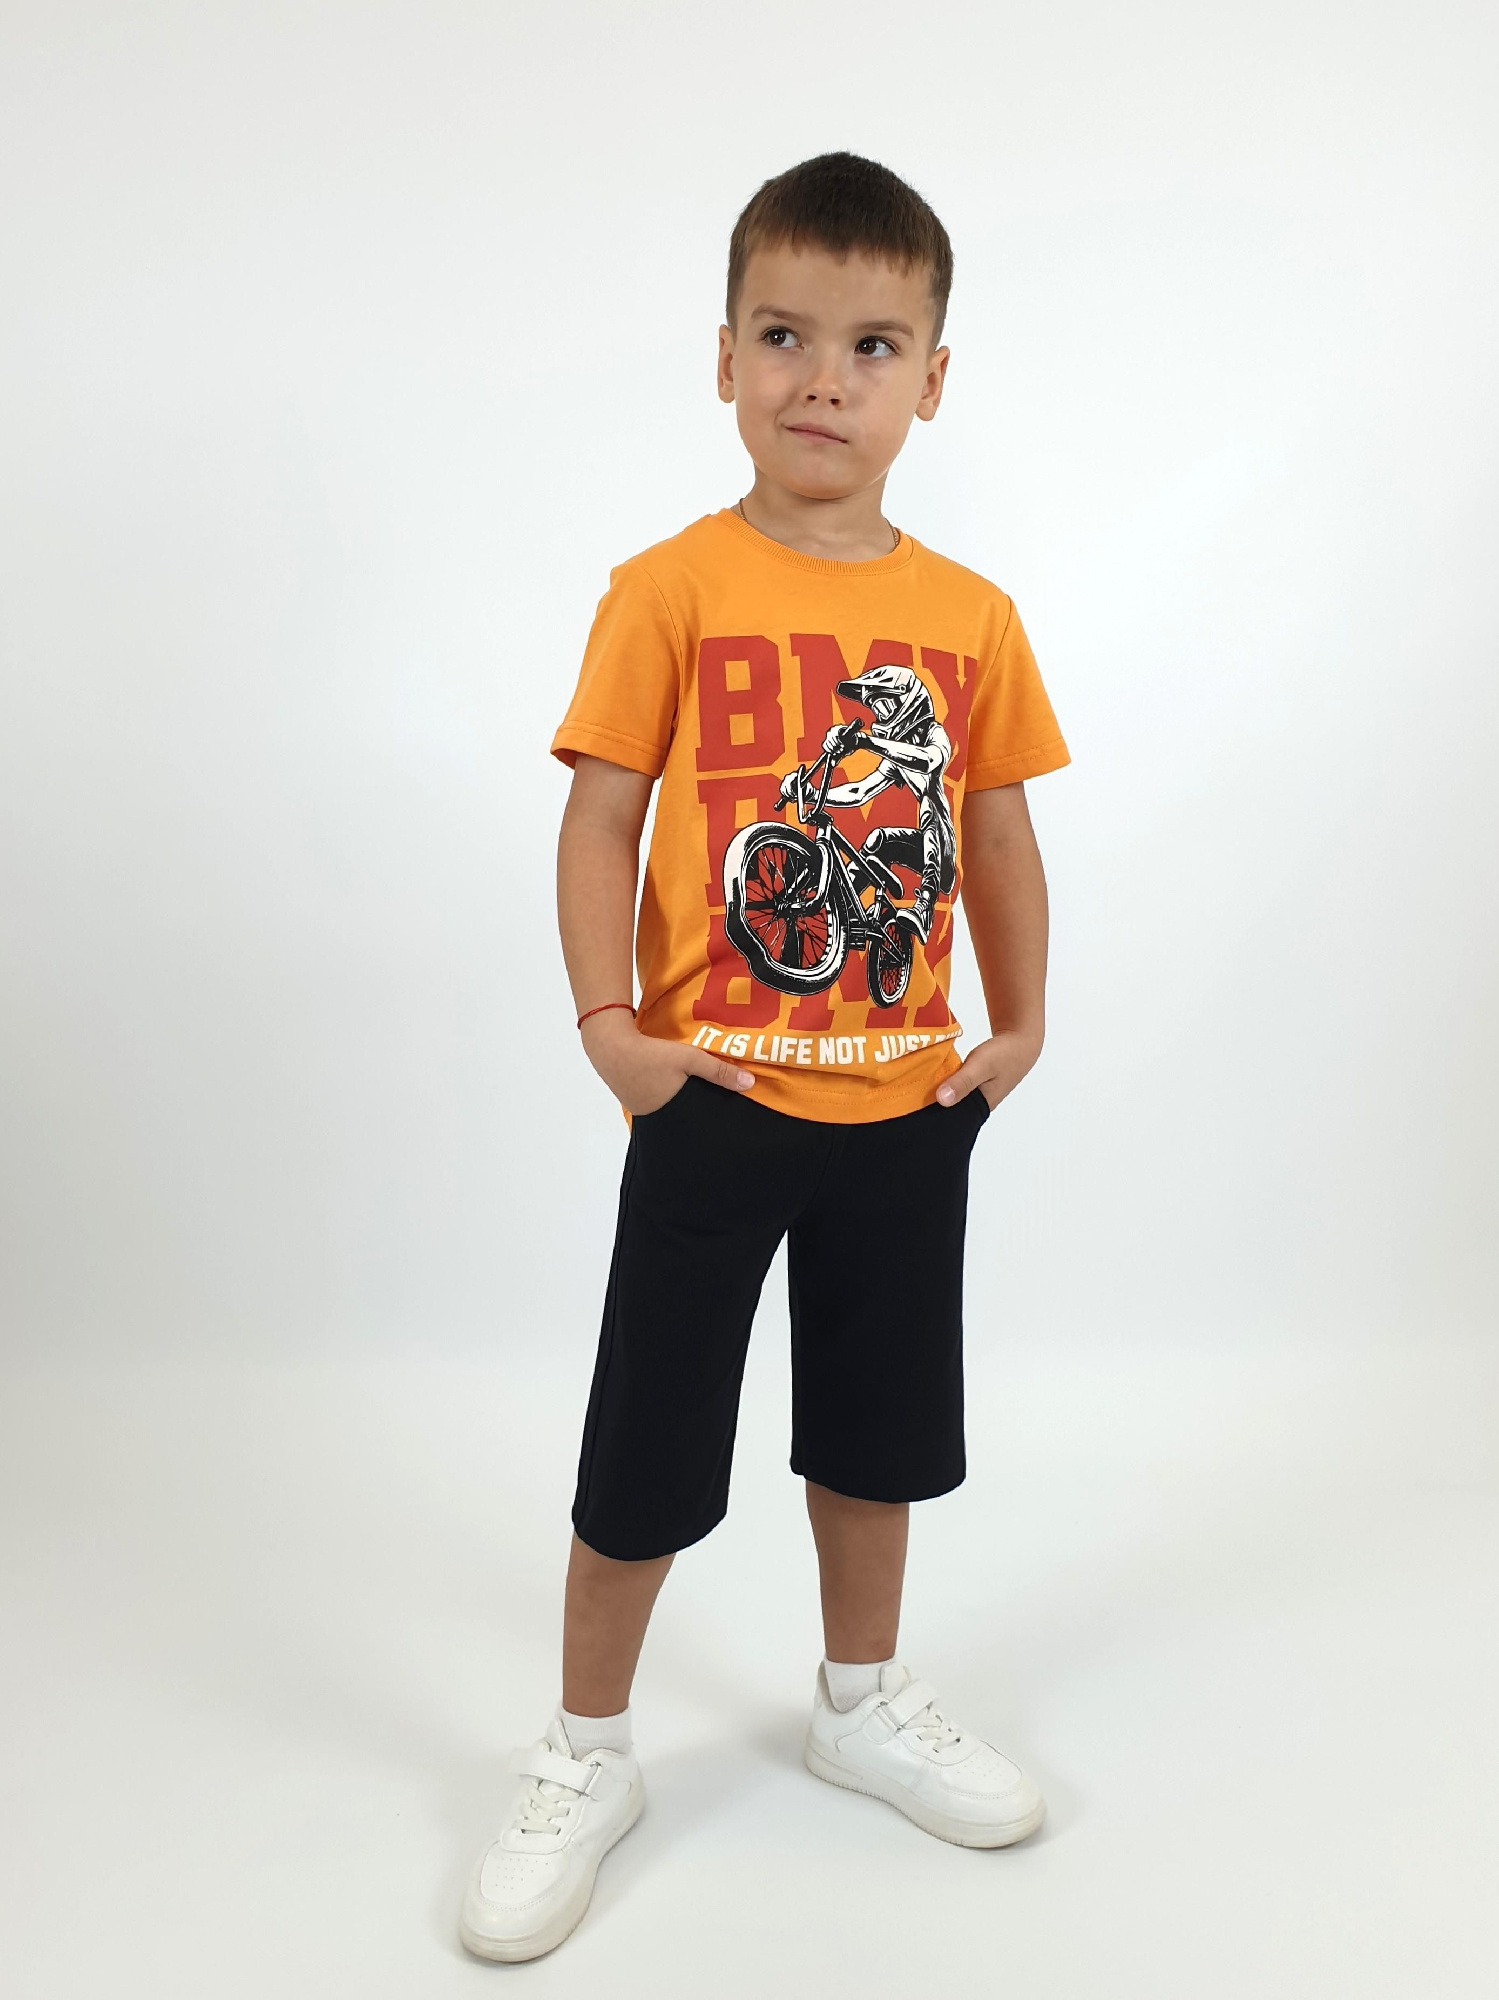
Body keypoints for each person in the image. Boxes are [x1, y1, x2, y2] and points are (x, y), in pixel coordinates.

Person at [459, 151, 1070, 1964]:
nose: (825, 378)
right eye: (786, 335)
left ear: (931, 381)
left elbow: (999, 831)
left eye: (873, 345)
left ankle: (859, 1703)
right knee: (648, 1433)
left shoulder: (970, 618)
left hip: (907, 1101)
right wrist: (614, 1036)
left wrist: (1021, 1028)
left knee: (878, 1432)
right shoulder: (669, 587)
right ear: (724, 356)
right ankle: (586, 1752)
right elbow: (599, 818)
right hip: (711, 1097)